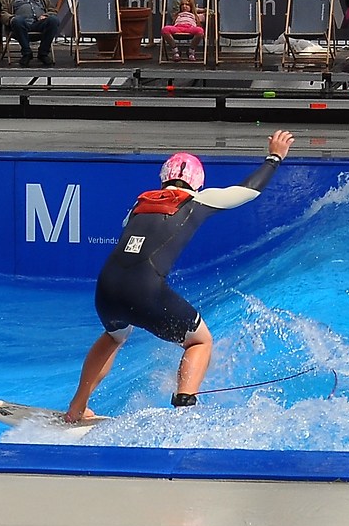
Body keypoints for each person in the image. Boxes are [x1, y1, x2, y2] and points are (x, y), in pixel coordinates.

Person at [61, 129, 295, 423]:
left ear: (163, 178)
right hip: (143, 290)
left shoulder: (139, 204)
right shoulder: (197, 200)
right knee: (200, 342)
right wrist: (274, 157)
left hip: (106, 289)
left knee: (114, 335)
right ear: (197, 183)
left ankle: (76, 408)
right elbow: (249, 190)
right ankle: (184, 412)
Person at [4, 0, 62, 66]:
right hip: (21, 25)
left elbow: (53, 10)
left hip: (40, 24)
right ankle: (26, 53)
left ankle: (43, 53)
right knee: (17, 20)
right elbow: (3, 14)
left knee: (54, 20)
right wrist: (12, 18)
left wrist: (46, 15)